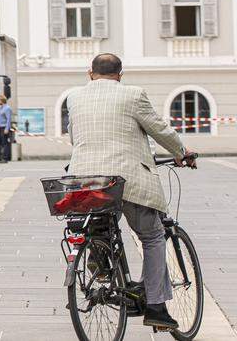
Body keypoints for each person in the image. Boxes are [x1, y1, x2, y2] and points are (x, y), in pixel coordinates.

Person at [67, 53, 194, 330]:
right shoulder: (133, 95)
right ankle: (157, 309)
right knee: (152, 236)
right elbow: (159, 129)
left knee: (100, 216)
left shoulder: (74, 97)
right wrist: (182, 153)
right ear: (120, 75)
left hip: (85, 179)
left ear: (90, 74)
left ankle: (98, 256)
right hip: (126, 177)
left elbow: (74, 137)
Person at [0, 95, 13, 164]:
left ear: (2, 101)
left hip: (4, 127)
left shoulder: (7, 108)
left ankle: (5, 158)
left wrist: (7, 128)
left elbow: (9, 119)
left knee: (4, 143)